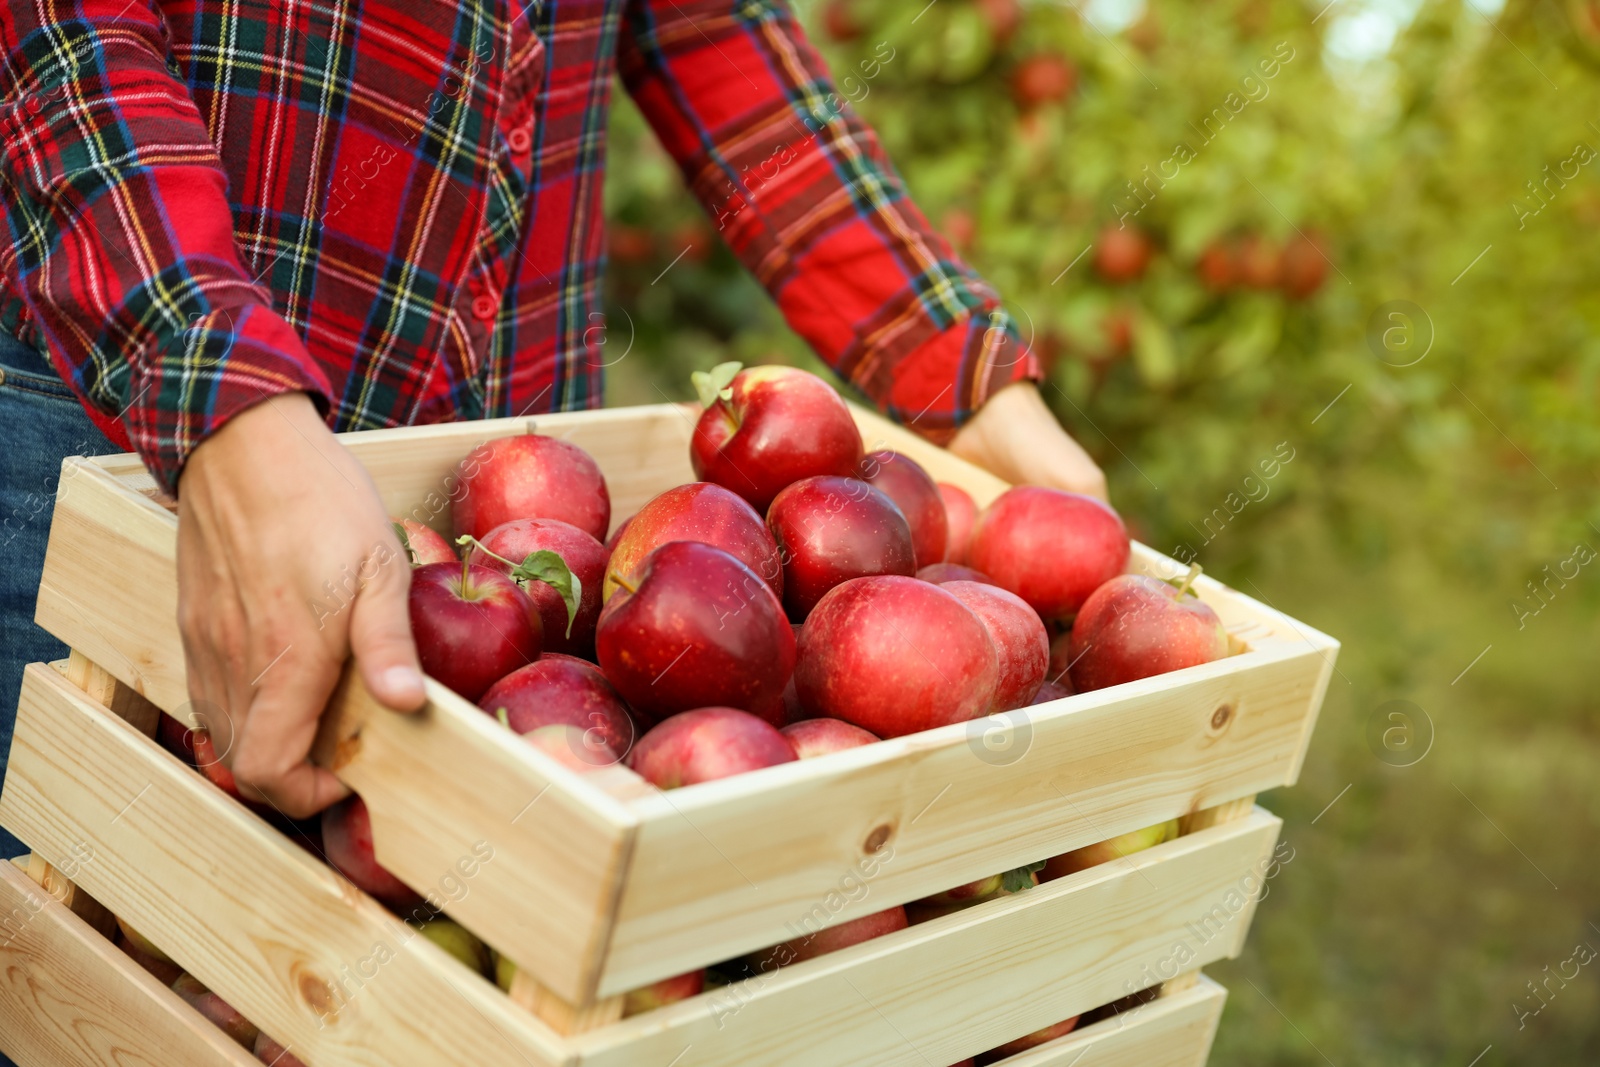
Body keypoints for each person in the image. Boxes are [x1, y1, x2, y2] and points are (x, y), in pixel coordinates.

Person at [0, 0, 1105, 860]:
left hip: (520, 523)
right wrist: (215, 387)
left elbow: (711, 29)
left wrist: (965, 378)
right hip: (128, 428)